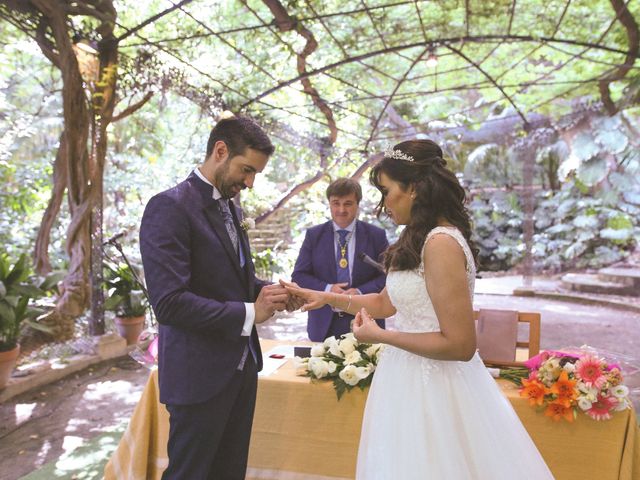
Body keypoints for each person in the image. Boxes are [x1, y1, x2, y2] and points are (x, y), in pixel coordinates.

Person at [284, 140, 554, 479]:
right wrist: (326, 298)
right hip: (403, 379)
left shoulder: (441, 244)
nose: (383, 204)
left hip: (437, 389)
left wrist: (384, 335)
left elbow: (460, 344)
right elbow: (385, 302)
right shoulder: (417, 238)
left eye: (386, 191)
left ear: (413, 189)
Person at [140, 115, 296, 479]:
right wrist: (250, 313)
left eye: (255, 173)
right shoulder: (169, 208)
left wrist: (271, 292)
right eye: (246, 170)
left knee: (229, 472)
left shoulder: (230, 206)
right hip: (199, 376)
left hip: (241, 371)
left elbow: (231, 280)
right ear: (220, 151)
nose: (250, 182)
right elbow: (169, 302)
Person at [291, 178, 388, 341]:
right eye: (336, 203)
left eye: (348, 203)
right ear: (329, 203)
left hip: (366, 320)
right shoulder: (314, 236)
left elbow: (388, 276)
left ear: (358, 204)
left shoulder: (376, 235)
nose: (341, 209)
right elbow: (299, 276)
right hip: (323, 324)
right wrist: (328, 289)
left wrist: (359, 292)